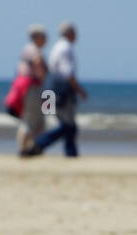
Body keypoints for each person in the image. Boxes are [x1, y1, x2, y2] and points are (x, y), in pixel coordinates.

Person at [31, 21, 87, 157]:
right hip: (61, 89)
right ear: (69, 33)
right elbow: (67, 72)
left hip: (50, 88)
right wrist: (79, 90)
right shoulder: (65, 47)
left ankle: (70, 152)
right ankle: (38, 145)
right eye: (75, 32)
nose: (77, 36)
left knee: (67, 124)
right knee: (67, 124)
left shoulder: (56, 47)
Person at [8, 24, 48, 156]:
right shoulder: (34, 50)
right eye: (44, 36)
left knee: (29, 120)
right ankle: (29, 148)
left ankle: (26, 147)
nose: (46, 39)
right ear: (37, 37)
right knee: (35, 120)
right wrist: (44, 73)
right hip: (32, 87)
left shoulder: (26, 50)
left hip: (24, 87)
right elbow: (38, 63)